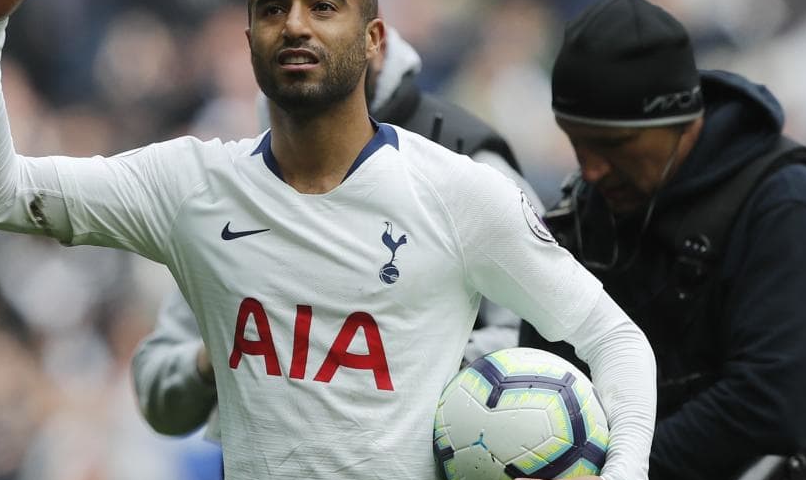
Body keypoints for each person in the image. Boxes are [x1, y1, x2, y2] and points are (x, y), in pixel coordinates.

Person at [0, 0, 657, 480]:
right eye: (272, 8)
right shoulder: (193, 187)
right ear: (248, 40)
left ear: (373, 39)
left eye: (323, 4)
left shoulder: (456, 194)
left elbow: (614, 336)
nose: (294, 24)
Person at [517, 0, 806, 480]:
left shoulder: (788, 206)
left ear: (681, 121)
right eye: (577, 143)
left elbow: (771, 403)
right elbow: (540, 385)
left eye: (611, 145)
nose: (591, 169)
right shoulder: (582, 220)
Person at [131, 22, 540, 439]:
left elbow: (540, 338)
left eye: (324, 10)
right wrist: (220, 351)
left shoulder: (466, 165)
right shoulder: (241, 183)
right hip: (264, 475)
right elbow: (156, 395)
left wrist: (384, 362)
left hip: (425, 468)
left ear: (374, 40)